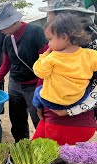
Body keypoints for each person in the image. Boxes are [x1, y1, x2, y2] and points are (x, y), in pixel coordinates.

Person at [32, 0, 97, 145]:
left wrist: (69, 111)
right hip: (50, 110)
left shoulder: (91, 46)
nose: (48, 19)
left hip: (73, 119)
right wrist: (39, 104)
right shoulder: (56, 41)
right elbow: (45, 73)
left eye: (50, 15)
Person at [0, 2, 48, 142]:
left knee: (38, 118)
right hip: (15, 84)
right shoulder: (7, 40)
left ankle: (42, 145)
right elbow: (7, 63)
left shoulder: (35, 32)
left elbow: (46, 62)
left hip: (34, 85)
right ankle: (21, 144)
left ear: (13, 21)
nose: (1, 30)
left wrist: (39, 89)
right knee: (17, 118)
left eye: (3, 26)